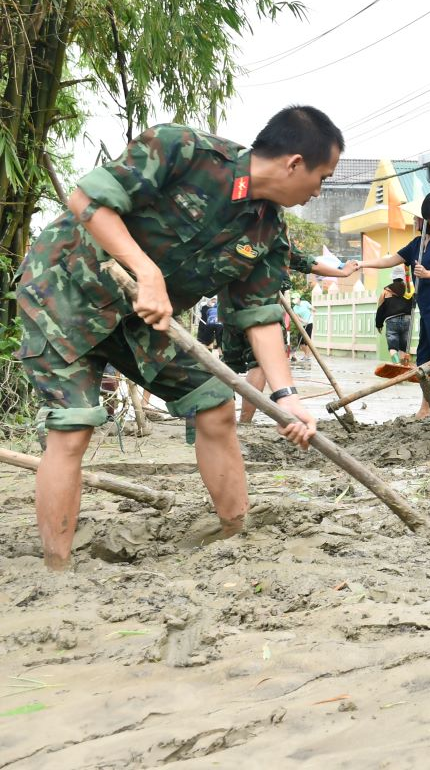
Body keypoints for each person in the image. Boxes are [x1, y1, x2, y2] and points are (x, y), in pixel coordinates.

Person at [16, 106, 342, 569]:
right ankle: (57, 568)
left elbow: (261, 315)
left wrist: (286, 396)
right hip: (65, 296)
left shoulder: (267, 230)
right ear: (294, 163)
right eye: (323, 177)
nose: (319, 190)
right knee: (74, 425)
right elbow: (87, 201)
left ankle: (234, 535)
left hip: (144, 324)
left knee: (214, 404)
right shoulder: (182, 151)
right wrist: (146, 273)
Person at [223, 242, 357, 424]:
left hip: (229, 305)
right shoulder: (269, 230)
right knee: (261, 362)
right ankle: (244, 422)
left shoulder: (229, 228)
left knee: (227, 366)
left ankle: (220, 420)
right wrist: (343, 272)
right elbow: (307, 262)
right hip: (261, 306)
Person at [362, 190, 430, 419]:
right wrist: (362, 264)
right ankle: (425, 408)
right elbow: (390, 259)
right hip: (425, 310)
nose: (418, 221)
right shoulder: (417, 243)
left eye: (424, 218)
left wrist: (429, 273)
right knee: (424, 360)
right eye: (420, 217)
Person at [375, 276, 415, 366]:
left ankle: (396, 364)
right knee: (404, 346)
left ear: (393, 278)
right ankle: (403, 367)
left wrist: (379, 324)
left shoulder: (386, 292)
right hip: (407, 319)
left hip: (392, 320)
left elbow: (380, 309)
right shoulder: (409, 290)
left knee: (392, 346)